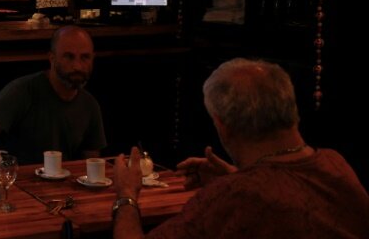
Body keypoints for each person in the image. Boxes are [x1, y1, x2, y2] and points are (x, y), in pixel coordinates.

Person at [111, 57, 369, 239]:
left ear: (223, 126)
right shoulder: (335, 164)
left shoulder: (235, 195)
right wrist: (235, 175)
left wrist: (126, 195)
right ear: (290, 109)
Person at [0, 25, 106, 164]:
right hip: (15, 185)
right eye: (69, 57)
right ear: (52, 58)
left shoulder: (90, 105)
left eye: (85, 57)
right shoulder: (21, 92)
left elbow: (91, 167)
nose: (77, 66)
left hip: (61, 188)